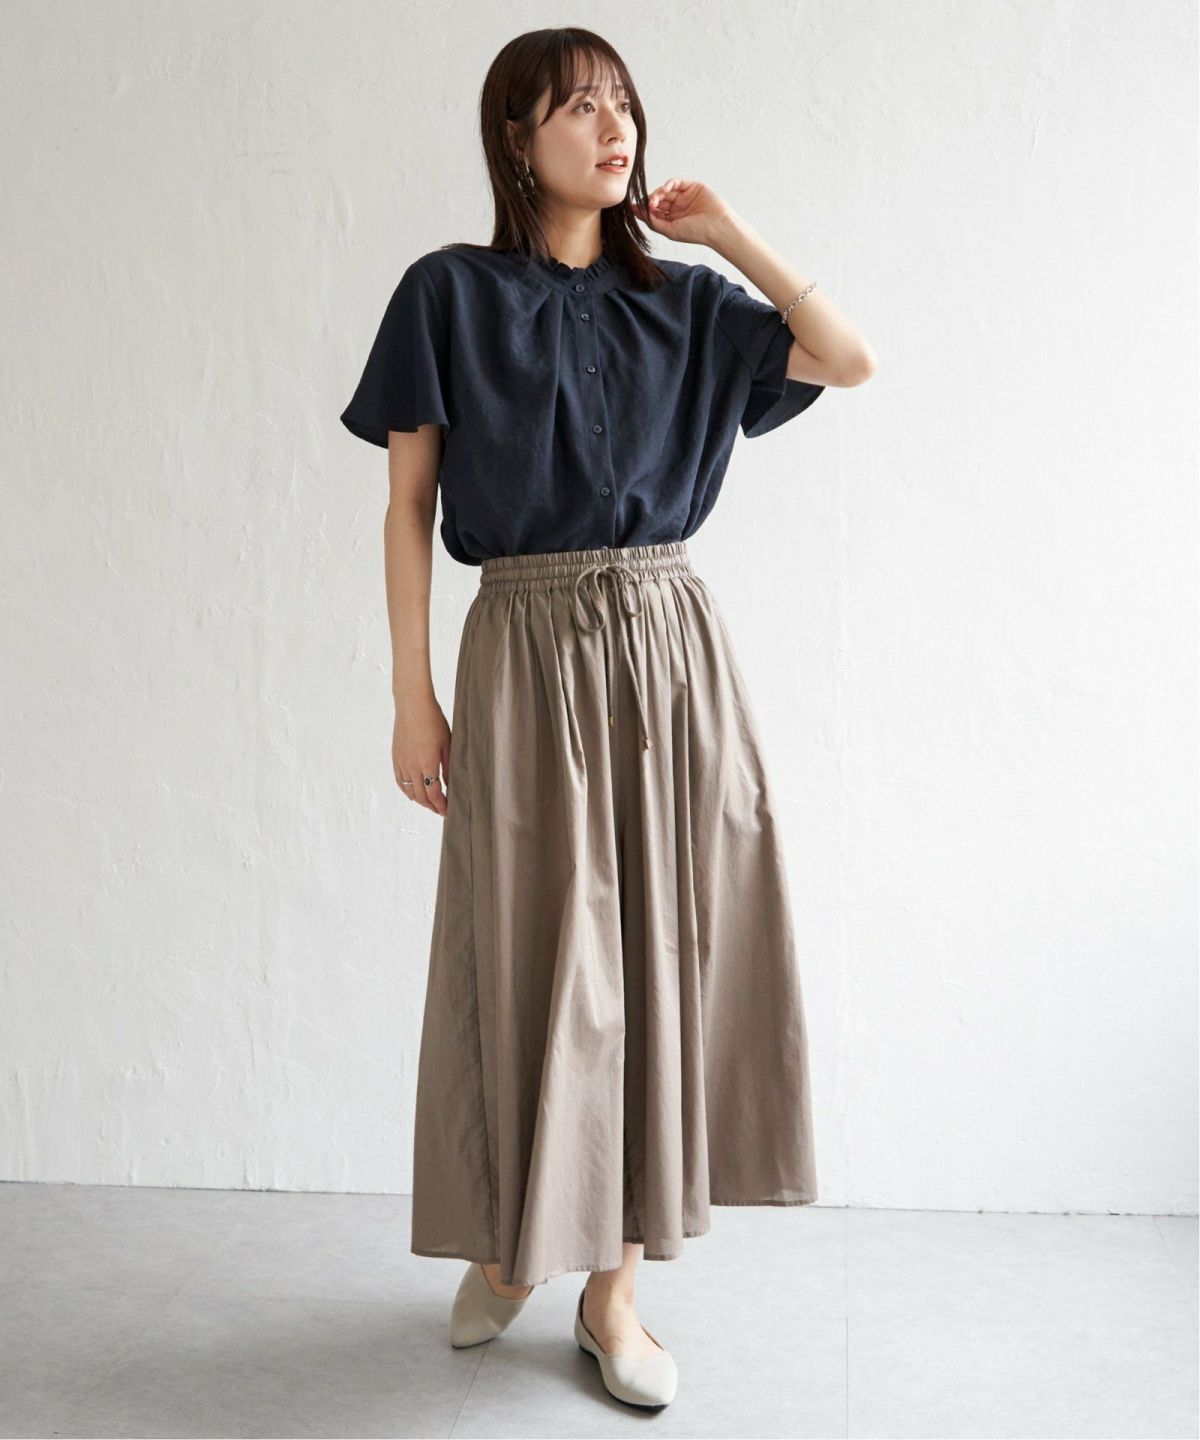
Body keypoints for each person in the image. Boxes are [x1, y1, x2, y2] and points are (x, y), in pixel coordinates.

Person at [340, 27, 877, 1411]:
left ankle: (614, 1291)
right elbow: (406, 505)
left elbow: (847, 357)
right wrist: (411, 696)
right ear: (517, 142)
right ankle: (514, 1247)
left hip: (668, 649)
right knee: (535, 956)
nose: (611, 126)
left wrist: (729, 232)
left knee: (654, 965)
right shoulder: (447, 294)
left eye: (622, 102)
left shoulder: (690, 304)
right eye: (577, 107)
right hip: (522, 644)